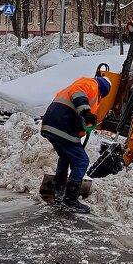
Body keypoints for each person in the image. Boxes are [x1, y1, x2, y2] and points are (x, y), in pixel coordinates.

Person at [41, 74, 112, 213]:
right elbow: (78, 92)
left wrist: (82, 127)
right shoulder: (91, 84)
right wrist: (86, 112)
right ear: (104, 90)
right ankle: (70, 200)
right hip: (62, 125)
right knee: (82, 161)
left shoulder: (83, 89)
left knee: (65, 157)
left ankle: (59, 191)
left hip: (50, 124)